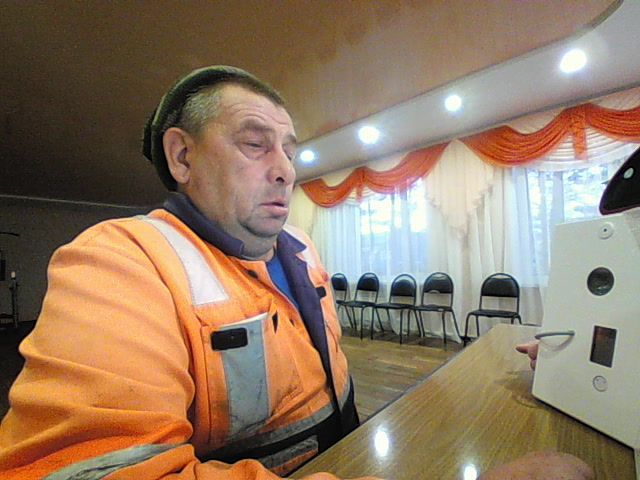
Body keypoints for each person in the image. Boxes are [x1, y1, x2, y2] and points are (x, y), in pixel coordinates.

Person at [0, 66, 593, 480]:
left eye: (289, 148)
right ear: (182, 156)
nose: (286, 169)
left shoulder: (301, 246)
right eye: (255, 145)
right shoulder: (120, 261)